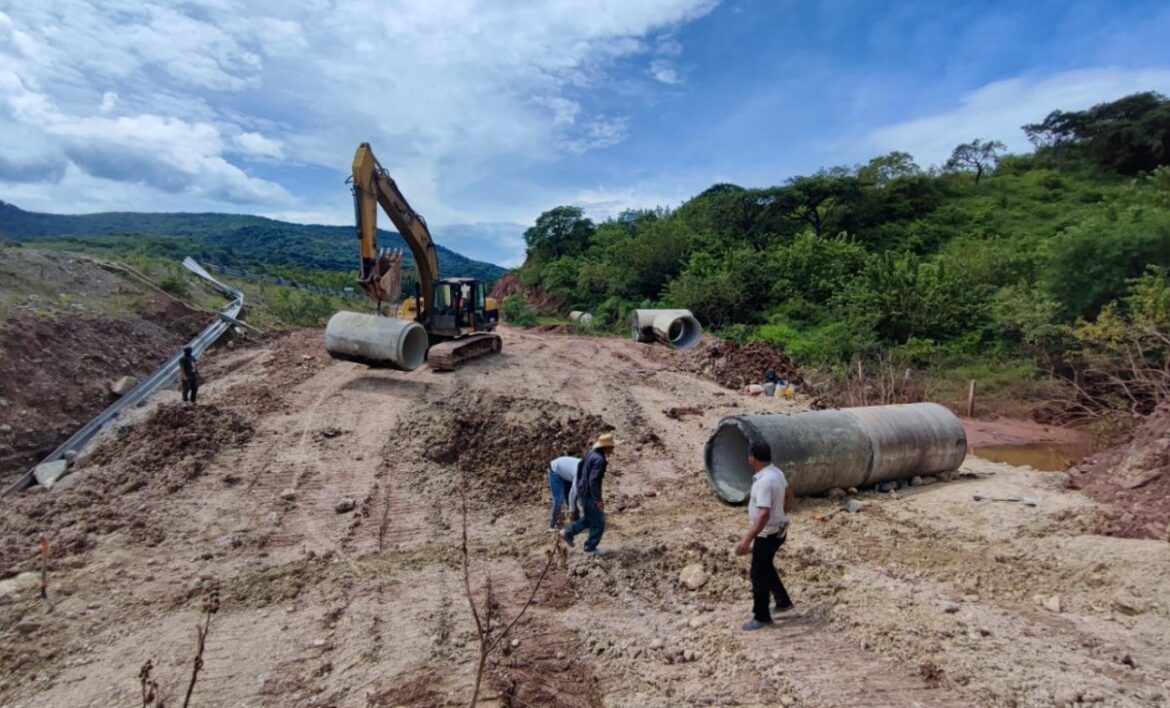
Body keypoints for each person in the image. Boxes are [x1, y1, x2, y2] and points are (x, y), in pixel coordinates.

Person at [734, 440, 795, 630]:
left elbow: (763, 514)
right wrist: (782, 513)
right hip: (778, 530)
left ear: (753, 457)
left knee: (758, 574)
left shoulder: (764, 482)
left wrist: (746, 540)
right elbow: (789, 496)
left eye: (749, 456)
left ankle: (761, 616)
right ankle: (783, 601)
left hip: (766, 534)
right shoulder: (776, 473)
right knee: (766, 566)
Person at [561, 432, 614, 556]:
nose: (613, 448)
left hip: (583, 490)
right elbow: (594, 481)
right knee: (599, 521)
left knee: (590, 518)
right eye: (612, 446)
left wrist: (579, 484)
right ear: (606, 447)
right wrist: (598, 500)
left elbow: (580, 466)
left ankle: (568, 532)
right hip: (589, 494)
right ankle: (590, 548)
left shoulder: (591, 452)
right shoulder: (599, 460)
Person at [547, 455, 581, 530]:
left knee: (571, 495)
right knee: (559, 499)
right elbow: (573, 494)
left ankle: (576, 519)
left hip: (567, 473)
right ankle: (553, 525)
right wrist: (571, 511)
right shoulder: (580, 473)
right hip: (555, 471)